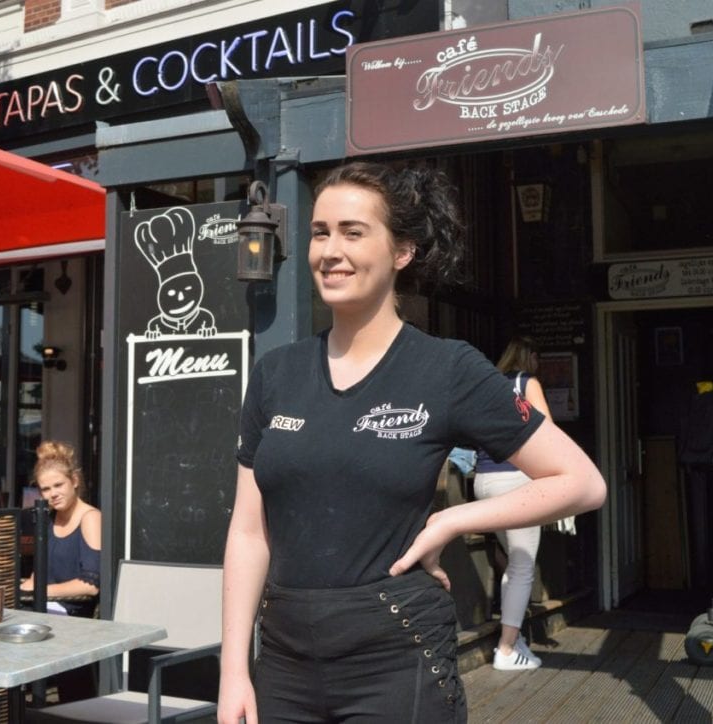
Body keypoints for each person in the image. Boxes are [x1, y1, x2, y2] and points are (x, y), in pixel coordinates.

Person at [218, 162, 606, 724]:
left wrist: (451, 521)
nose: (331, 250)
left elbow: (582, 482)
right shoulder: (276, 373)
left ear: (402, 251)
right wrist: (233, 670)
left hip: (397, 658)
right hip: (283, 662)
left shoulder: (447, 369)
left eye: (353, 232)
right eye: (321, 232)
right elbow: (248, 532)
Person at [473, 336, 552, 671]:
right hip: (515, 480)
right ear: (529, 356)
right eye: (537, 357)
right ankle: (506, 650)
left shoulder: (488, 386)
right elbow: (546, 431)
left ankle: (513, 638)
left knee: (514, 562)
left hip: (484, 480)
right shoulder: (526, 382)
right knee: (522, 566)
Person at [19, 440, 101, 618]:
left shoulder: (90, 518)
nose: (53, 494)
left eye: (58, 485)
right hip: (42, 608)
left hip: (71, 614)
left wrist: (39, 590)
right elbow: (39, 573)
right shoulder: (49, 518)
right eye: (46, 489)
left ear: (74, 481)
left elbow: (91, 585)